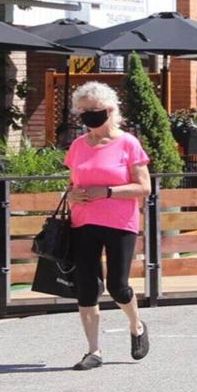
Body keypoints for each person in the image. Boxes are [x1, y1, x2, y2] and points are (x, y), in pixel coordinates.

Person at [64, 81, 152, 370]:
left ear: (111, 110)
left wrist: (109, 192)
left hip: (120, 222)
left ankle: (136, 325)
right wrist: (71, 195)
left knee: (117, 285)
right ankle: (94, 351)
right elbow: (71, 184)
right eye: (84, 111)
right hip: (83, 221)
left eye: (95, 110)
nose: (89, 115)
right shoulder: (77, 146)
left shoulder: (128, 143)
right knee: (86, 287)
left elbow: (144, 187)